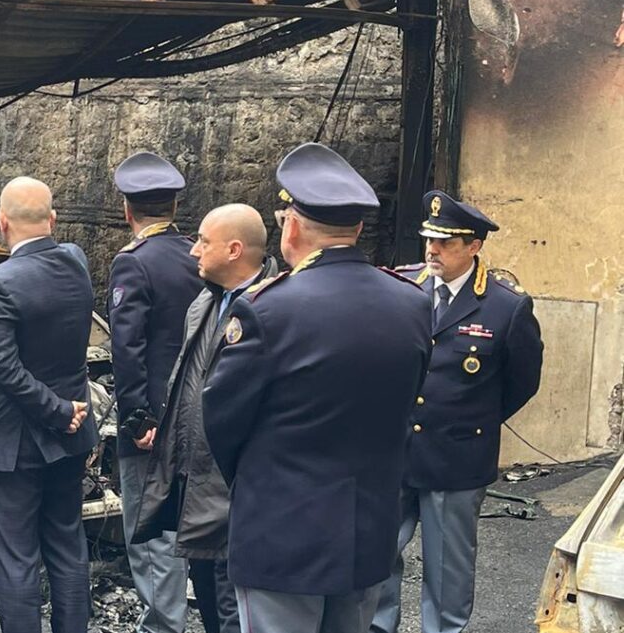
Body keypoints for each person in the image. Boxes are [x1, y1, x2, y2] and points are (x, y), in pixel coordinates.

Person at [202, 142, 433, 633]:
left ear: (291, 226)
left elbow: (222, 422)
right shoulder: (411, 303)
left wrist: (264, 488)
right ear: (357, 229)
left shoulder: (267, 309)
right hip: (367, 530)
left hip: (282, 534)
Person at [370, 191, 544, 633]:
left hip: (457, 457)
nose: (432, 250)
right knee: (376, 554)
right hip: (395, 450)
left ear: (473, 246)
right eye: (429, 239)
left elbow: (522, 383)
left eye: (445, 242)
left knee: (447, 572)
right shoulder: (402, 286)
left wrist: (471, 420)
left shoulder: (507, 307)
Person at [132, 203, 278, 633]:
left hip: (237, 498)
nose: (194, 251)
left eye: (203, 241)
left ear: (234, 250)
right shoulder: (203, 304)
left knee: (238, 610)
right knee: (213, 608)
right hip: (196, 490)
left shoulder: (273, 310)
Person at [0, 176, 97, 633]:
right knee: (67, 545)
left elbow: (3, 370)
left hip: (17, 442)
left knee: (15, 557)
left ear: (2, 222)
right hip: (72, 434)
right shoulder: (77, 264)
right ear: (54, 220)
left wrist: (56, 411)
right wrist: (67, 414)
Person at [106, 151, 202, 633]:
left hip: (152, 427)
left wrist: (137, 420)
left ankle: (163, 627)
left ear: (128, 209)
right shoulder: (197, 256)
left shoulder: (133, 264)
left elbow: (127, 351)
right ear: (174, 206)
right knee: (192, 527)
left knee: (150, 535)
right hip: (195, 417)